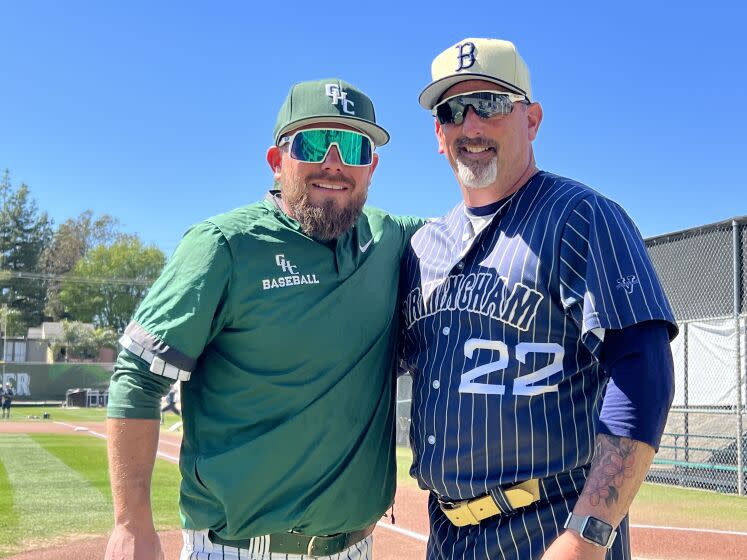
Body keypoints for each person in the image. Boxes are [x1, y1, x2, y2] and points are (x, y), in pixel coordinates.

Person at [105, 78, 422, 560]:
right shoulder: (222, 246)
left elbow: (482, 228)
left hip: (357, 547)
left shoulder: (392, 240)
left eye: (354, 146)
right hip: (240, 550)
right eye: (313, 142)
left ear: (371, 168)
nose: (333, 162)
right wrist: (131, 526)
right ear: (277, 161)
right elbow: (137, 375)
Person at [400, 38, 677, 560]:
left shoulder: (582, 216)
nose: (472, 125)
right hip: (447, 534)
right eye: (453, 110)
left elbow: (643, 369)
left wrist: (588, 533)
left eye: (492, 103)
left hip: (548, 528)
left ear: (532, 119)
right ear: (439, 133)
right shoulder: (422, 249)